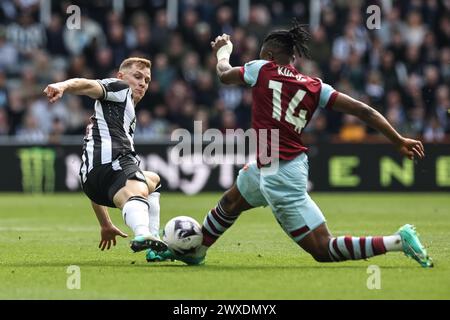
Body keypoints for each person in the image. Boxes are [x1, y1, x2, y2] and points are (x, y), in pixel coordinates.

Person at [148, 21, 433, 268]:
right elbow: (364, 111)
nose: (260, 58)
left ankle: (397, 241)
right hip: (271, 165)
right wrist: (398, 139)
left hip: (281, 175)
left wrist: (223, 51)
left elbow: (223, 74)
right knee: (231, 201)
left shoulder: (261, 69)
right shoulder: (316, 86)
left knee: (323, 249)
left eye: (262, 55)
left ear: (270, 55)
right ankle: (195, 252)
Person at [44, 57, 167, 255]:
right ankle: (143, 234)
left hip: (94, 184)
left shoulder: (118, 113)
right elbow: (87, 85)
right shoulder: (119, 88)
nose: (142, 83)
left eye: (146, 80)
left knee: (153, 180)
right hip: (114, 162)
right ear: (121, 76)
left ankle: (154, 245)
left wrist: (105, 224)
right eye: (137, 76)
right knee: (137, 186)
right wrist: (63, 85)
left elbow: (99, 180)